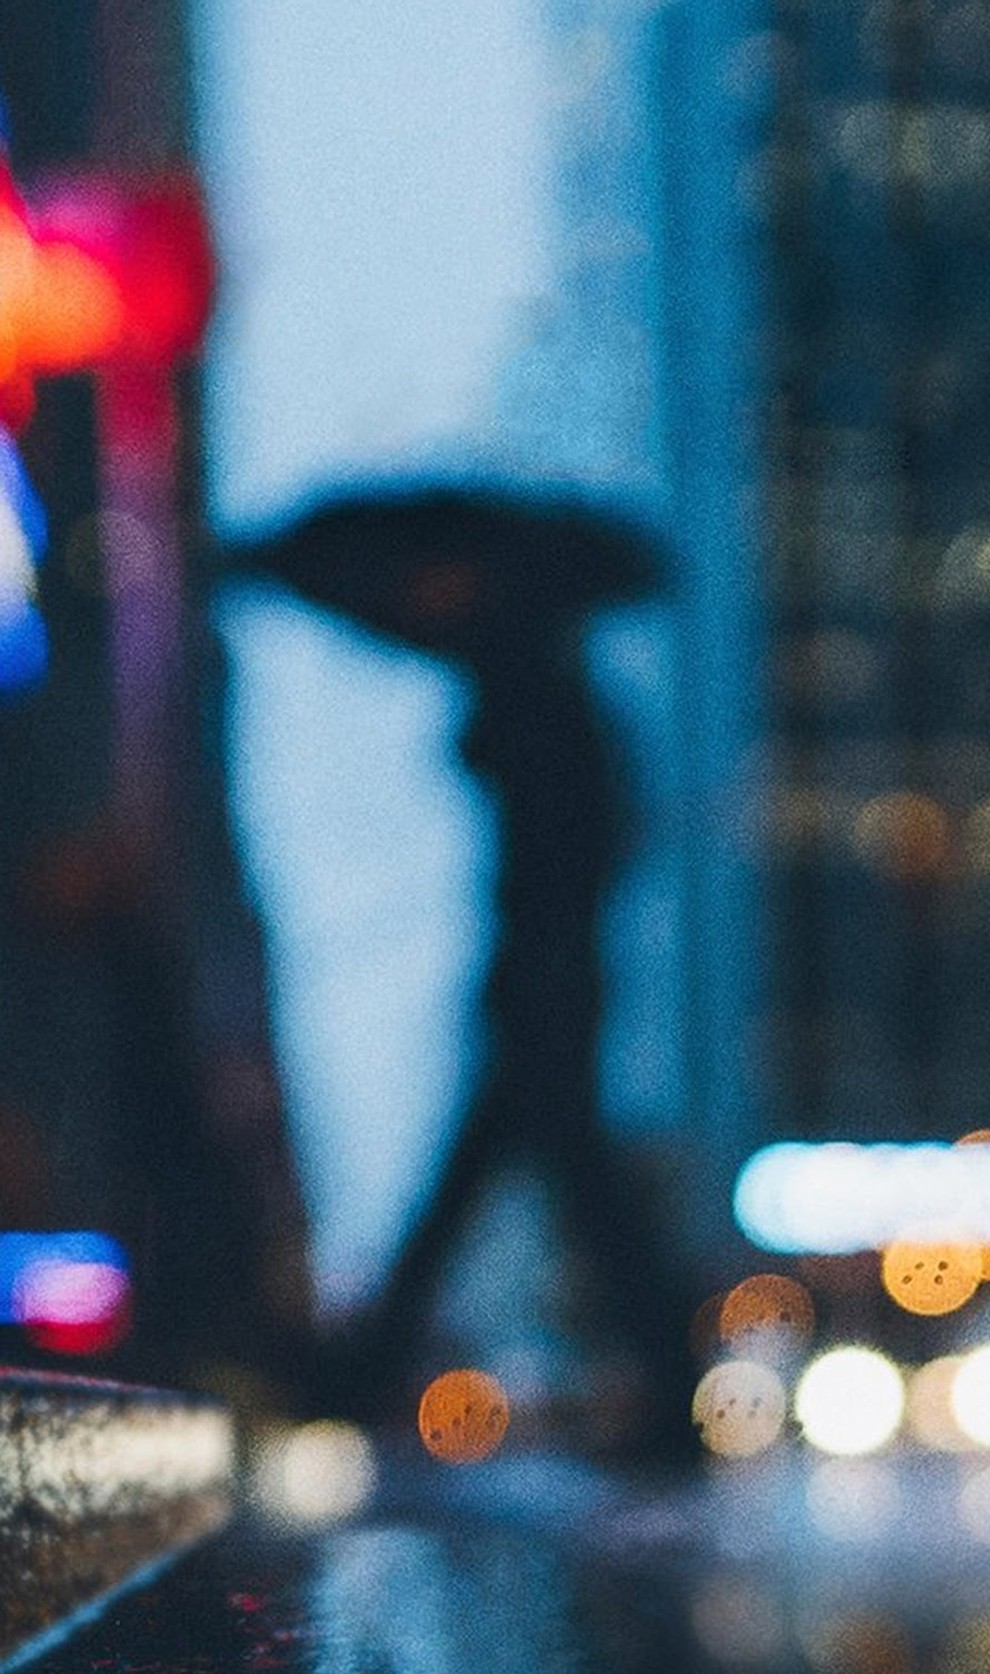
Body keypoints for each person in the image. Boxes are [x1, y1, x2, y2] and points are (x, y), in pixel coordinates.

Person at [216, 489, 697, 1452]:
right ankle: (366, 1380)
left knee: (532, 1188)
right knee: (539, 1186)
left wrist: (534, 968)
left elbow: (569, 863)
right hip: (543, 979)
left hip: (543, 983)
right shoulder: (530, 685)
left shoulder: (539, 698)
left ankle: (361, 1384)